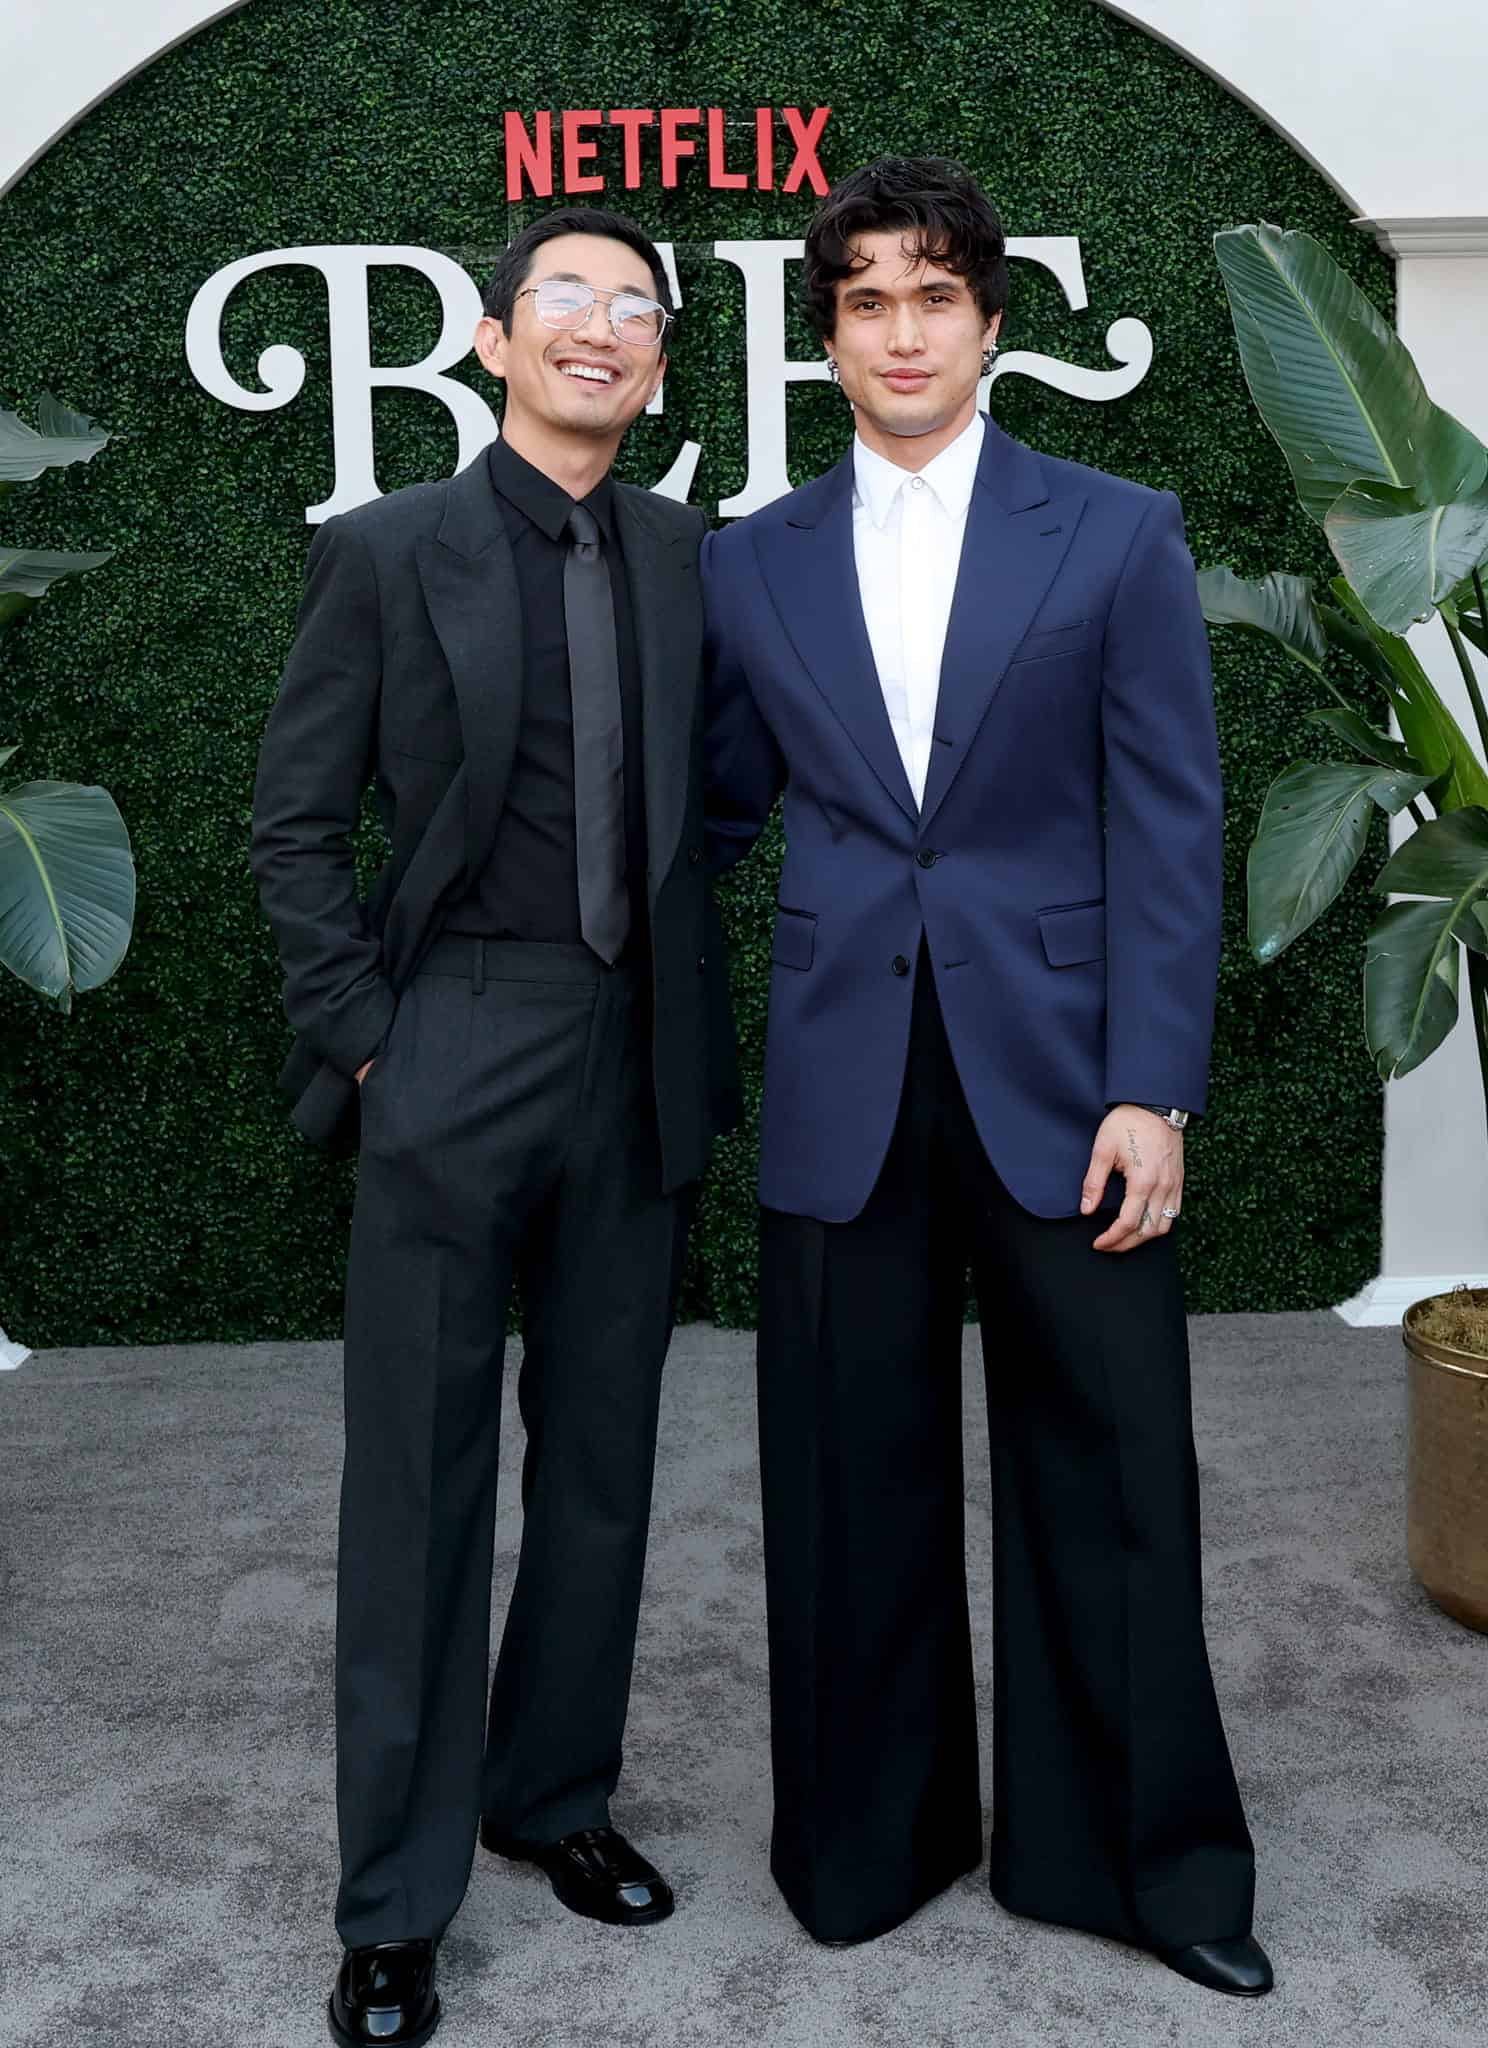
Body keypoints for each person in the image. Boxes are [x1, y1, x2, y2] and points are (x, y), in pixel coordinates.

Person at [701, 156, 1272, 1999]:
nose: (900, 329)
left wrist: (1154, 1090)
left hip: (1069, 1077)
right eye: (864, 299)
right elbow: (707, 810)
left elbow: (1171, 826)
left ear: (991, 320)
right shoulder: (748, 557)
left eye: (931, 293)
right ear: (831, 339)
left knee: (1111, 1471)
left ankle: (1147, 1867)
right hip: (843, 1074)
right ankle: (870, 1846)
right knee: (843, 1478)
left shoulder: (1114, 532)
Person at [252, 206, 736, 2048]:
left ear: (661, 360)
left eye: (633, 308)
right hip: (456, 1038)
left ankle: (556, 1800)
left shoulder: (697, 557)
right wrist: (375, 1045)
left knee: (603, 1465)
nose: (598, 329)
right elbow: (293, 825)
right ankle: (392, 1902)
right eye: (566, 300)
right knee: (422, 1486)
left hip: (643, 1052)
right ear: (492, 338)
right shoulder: (386, 552)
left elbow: (730, 796)